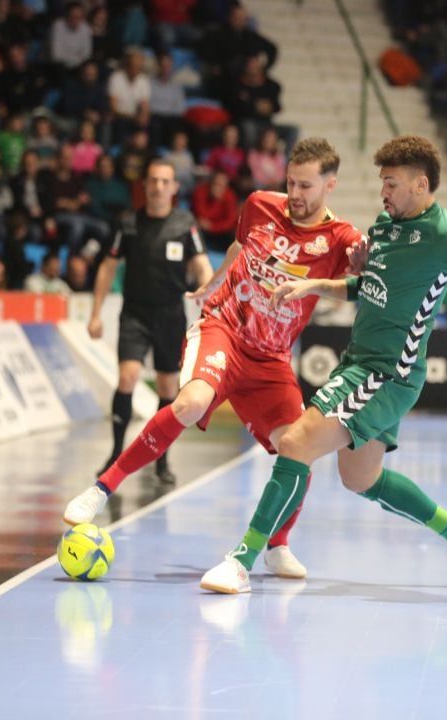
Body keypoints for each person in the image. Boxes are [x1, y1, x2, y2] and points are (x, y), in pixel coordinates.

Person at [199, 135, 447, 594]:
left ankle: (242, 559)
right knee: (359, 478)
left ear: (420, 184)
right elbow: (366, 285)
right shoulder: (385, 226)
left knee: (295, 443)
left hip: (389, 373)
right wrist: (317, 286)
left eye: (390, 183)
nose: (383, 192)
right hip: (359, 362)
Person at [64, 137, 366, 580]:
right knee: (189, 403)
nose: (296, 195)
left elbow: (353, 287)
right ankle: (102, 488)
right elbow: (239, 248)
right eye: (291, 183)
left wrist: (355, 269)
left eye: (306, 186)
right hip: (224, 327)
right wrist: (213, 283)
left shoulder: (341, 238)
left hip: (272, 359)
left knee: (299, 446)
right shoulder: (261, 204)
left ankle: (277, 545)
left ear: (330, 185)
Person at [89, 158, 213, 483]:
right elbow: (107, 266)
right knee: (128, 376)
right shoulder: (128, 222)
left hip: (170, 315)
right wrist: (95, 313)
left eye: (165, 181)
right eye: (153, 180)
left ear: (174, 188)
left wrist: (209, 293)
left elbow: (201, 264)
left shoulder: (185, 223)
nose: (158, 186)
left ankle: (161, 460)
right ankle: (116, 454)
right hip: (134, 313)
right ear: (145, 186)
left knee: (167, 387)